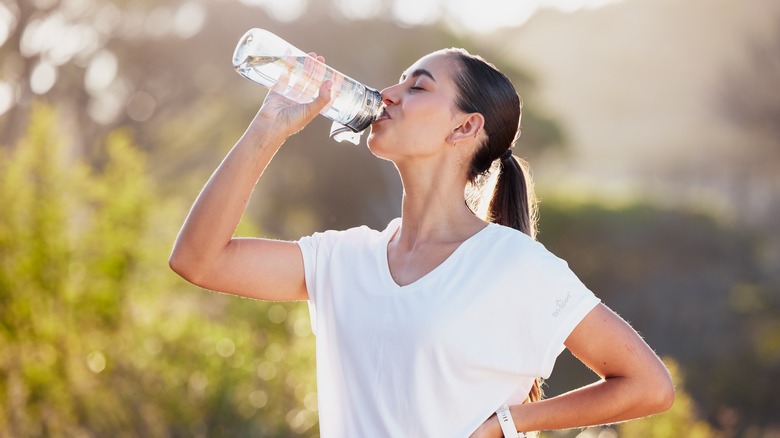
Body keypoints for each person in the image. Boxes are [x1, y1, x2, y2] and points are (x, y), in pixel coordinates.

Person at [169, 48, 674, 437]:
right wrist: (267, 127)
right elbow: (199, 260)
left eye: (418, 87)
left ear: (465, 126)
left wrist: (510, 422)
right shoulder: (344, 259)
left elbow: (648, 385)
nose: (387, 94)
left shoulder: (514, 266)